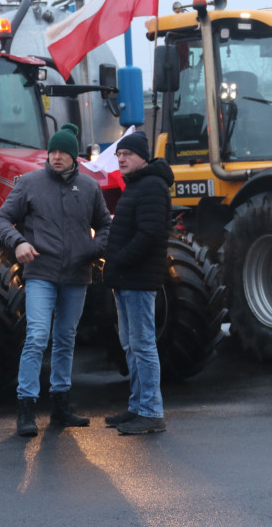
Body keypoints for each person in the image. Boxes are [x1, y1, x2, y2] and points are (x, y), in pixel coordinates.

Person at [0, 123, 111, 437]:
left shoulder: (89, 188)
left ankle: (61, 406)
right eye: (53, 151)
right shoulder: (30, 183)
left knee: (66, 339)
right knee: (36, 337)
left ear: (74, 156)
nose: (57, 157)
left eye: (63, 152)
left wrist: (93, 247)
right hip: (41, 274)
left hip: (77, 276)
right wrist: (18, 242)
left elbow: (105, 225)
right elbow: (2, 218)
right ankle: (26, 407)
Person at [102, 131, 174, 434]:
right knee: (131, 346)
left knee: (143, 346)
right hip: (126, 279)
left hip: (138, 280)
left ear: (143, 157)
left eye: (127, 154)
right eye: (119, 155)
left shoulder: (152, 187)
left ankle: (151, 412)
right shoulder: (136, 186)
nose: (121, 159)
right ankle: (137, 407)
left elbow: (150, 234)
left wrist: (120, 259)